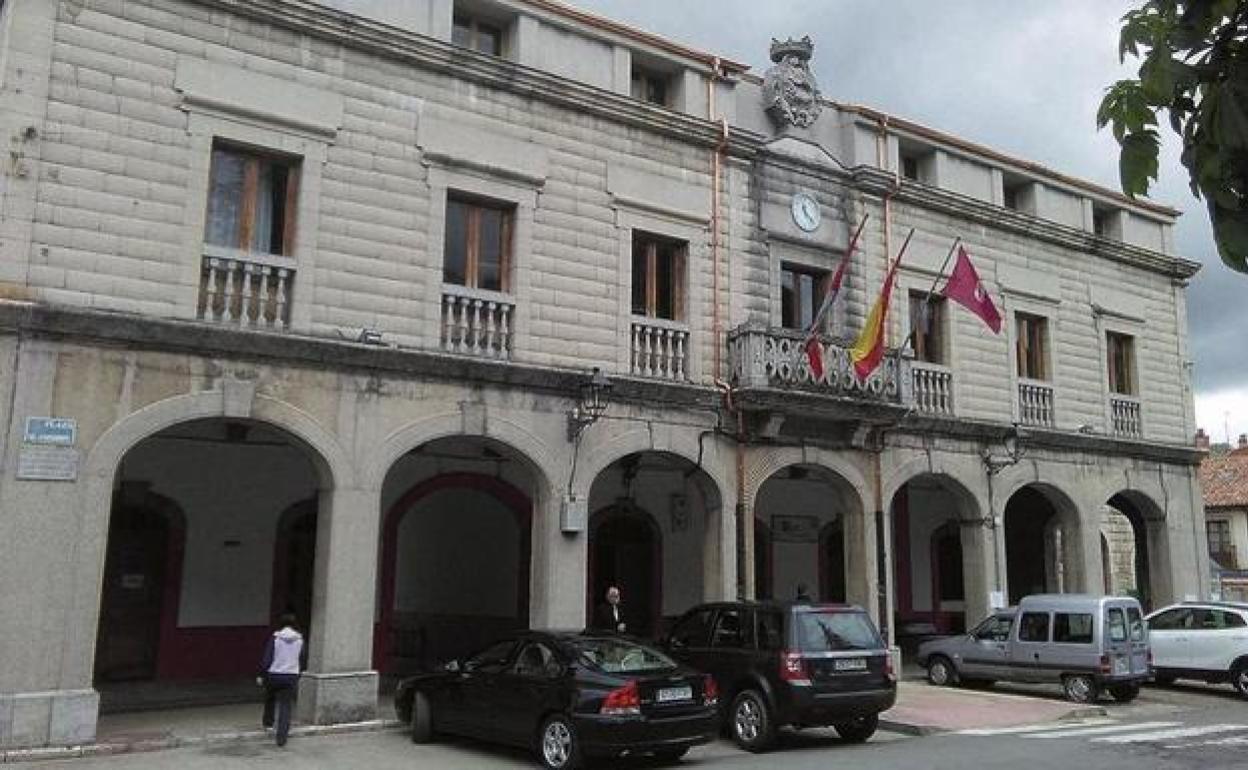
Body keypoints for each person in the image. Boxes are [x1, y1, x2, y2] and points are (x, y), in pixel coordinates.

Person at [258, 612, 307, 747]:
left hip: (274, 673)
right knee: (286, 706)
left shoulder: (276, 638)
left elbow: (267, 658)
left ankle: (268, 723)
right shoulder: (300, 640)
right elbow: (302, 658)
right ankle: (282, 738)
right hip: (291, 675)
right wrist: (299, 672)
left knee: (270, 697)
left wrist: (262, 674)